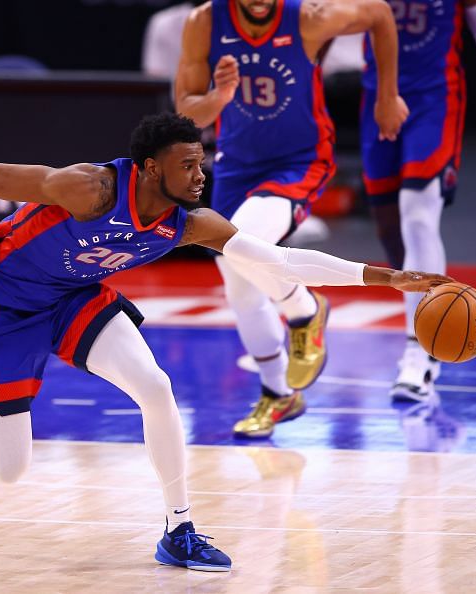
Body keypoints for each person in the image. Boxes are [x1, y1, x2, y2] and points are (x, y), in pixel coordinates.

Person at [0, 112, 449, 570]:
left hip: (75, 295)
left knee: (156, 388)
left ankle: (177, 529)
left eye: (202, 161)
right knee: (8, 472)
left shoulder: (192, 222)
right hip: (8, 302)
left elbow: (282, 261)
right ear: (153, 168)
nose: (201, 171)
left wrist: (384, 278)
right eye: (189, 163)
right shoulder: (91, 190)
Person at [174, 0, 408, 438]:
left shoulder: (308, 18)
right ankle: (279, 393)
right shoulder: (204, 22)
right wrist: (218, 97)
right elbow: (186, 116)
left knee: (241, 247)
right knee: (237, 280)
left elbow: (378, 12)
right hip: (237, 164)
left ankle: (304, 311)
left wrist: (388, 94)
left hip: (299, 160)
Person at [361, 0, 476, 402]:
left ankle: (418, 352)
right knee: (389, 227)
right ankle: (425, 317)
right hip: (377, 99)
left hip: (434, 101)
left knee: (417, 216)